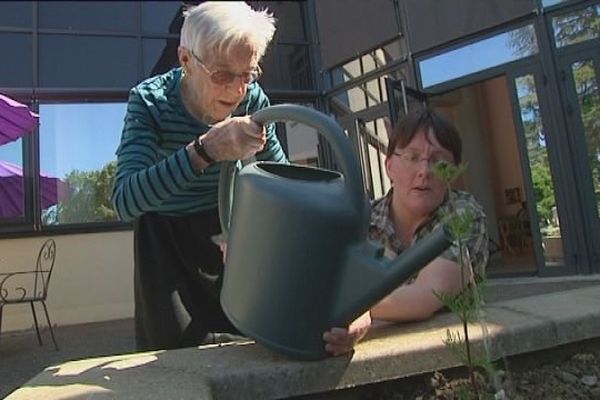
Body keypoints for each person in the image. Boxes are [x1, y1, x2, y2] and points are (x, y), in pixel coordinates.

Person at [111, 2, 287, 351]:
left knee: (247, 338)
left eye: (248, 73)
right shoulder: (149, 102)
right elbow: (125, 201)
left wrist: (254, 229)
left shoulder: (252, 99)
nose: (237, 91)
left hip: (226, 227)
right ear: (186, 61)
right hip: (163, 234)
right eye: (223, 75)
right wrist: (203, 151)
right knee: (172, 352)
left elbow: (280, 179)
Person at [323, 108, 489, 356]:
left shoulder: (463, 215)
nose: (424, 171)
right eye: (412, 157)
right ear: (389, 166)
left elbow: (426, 295)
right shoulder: (362, 222)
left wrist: (358, 308)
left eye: (438, 160)